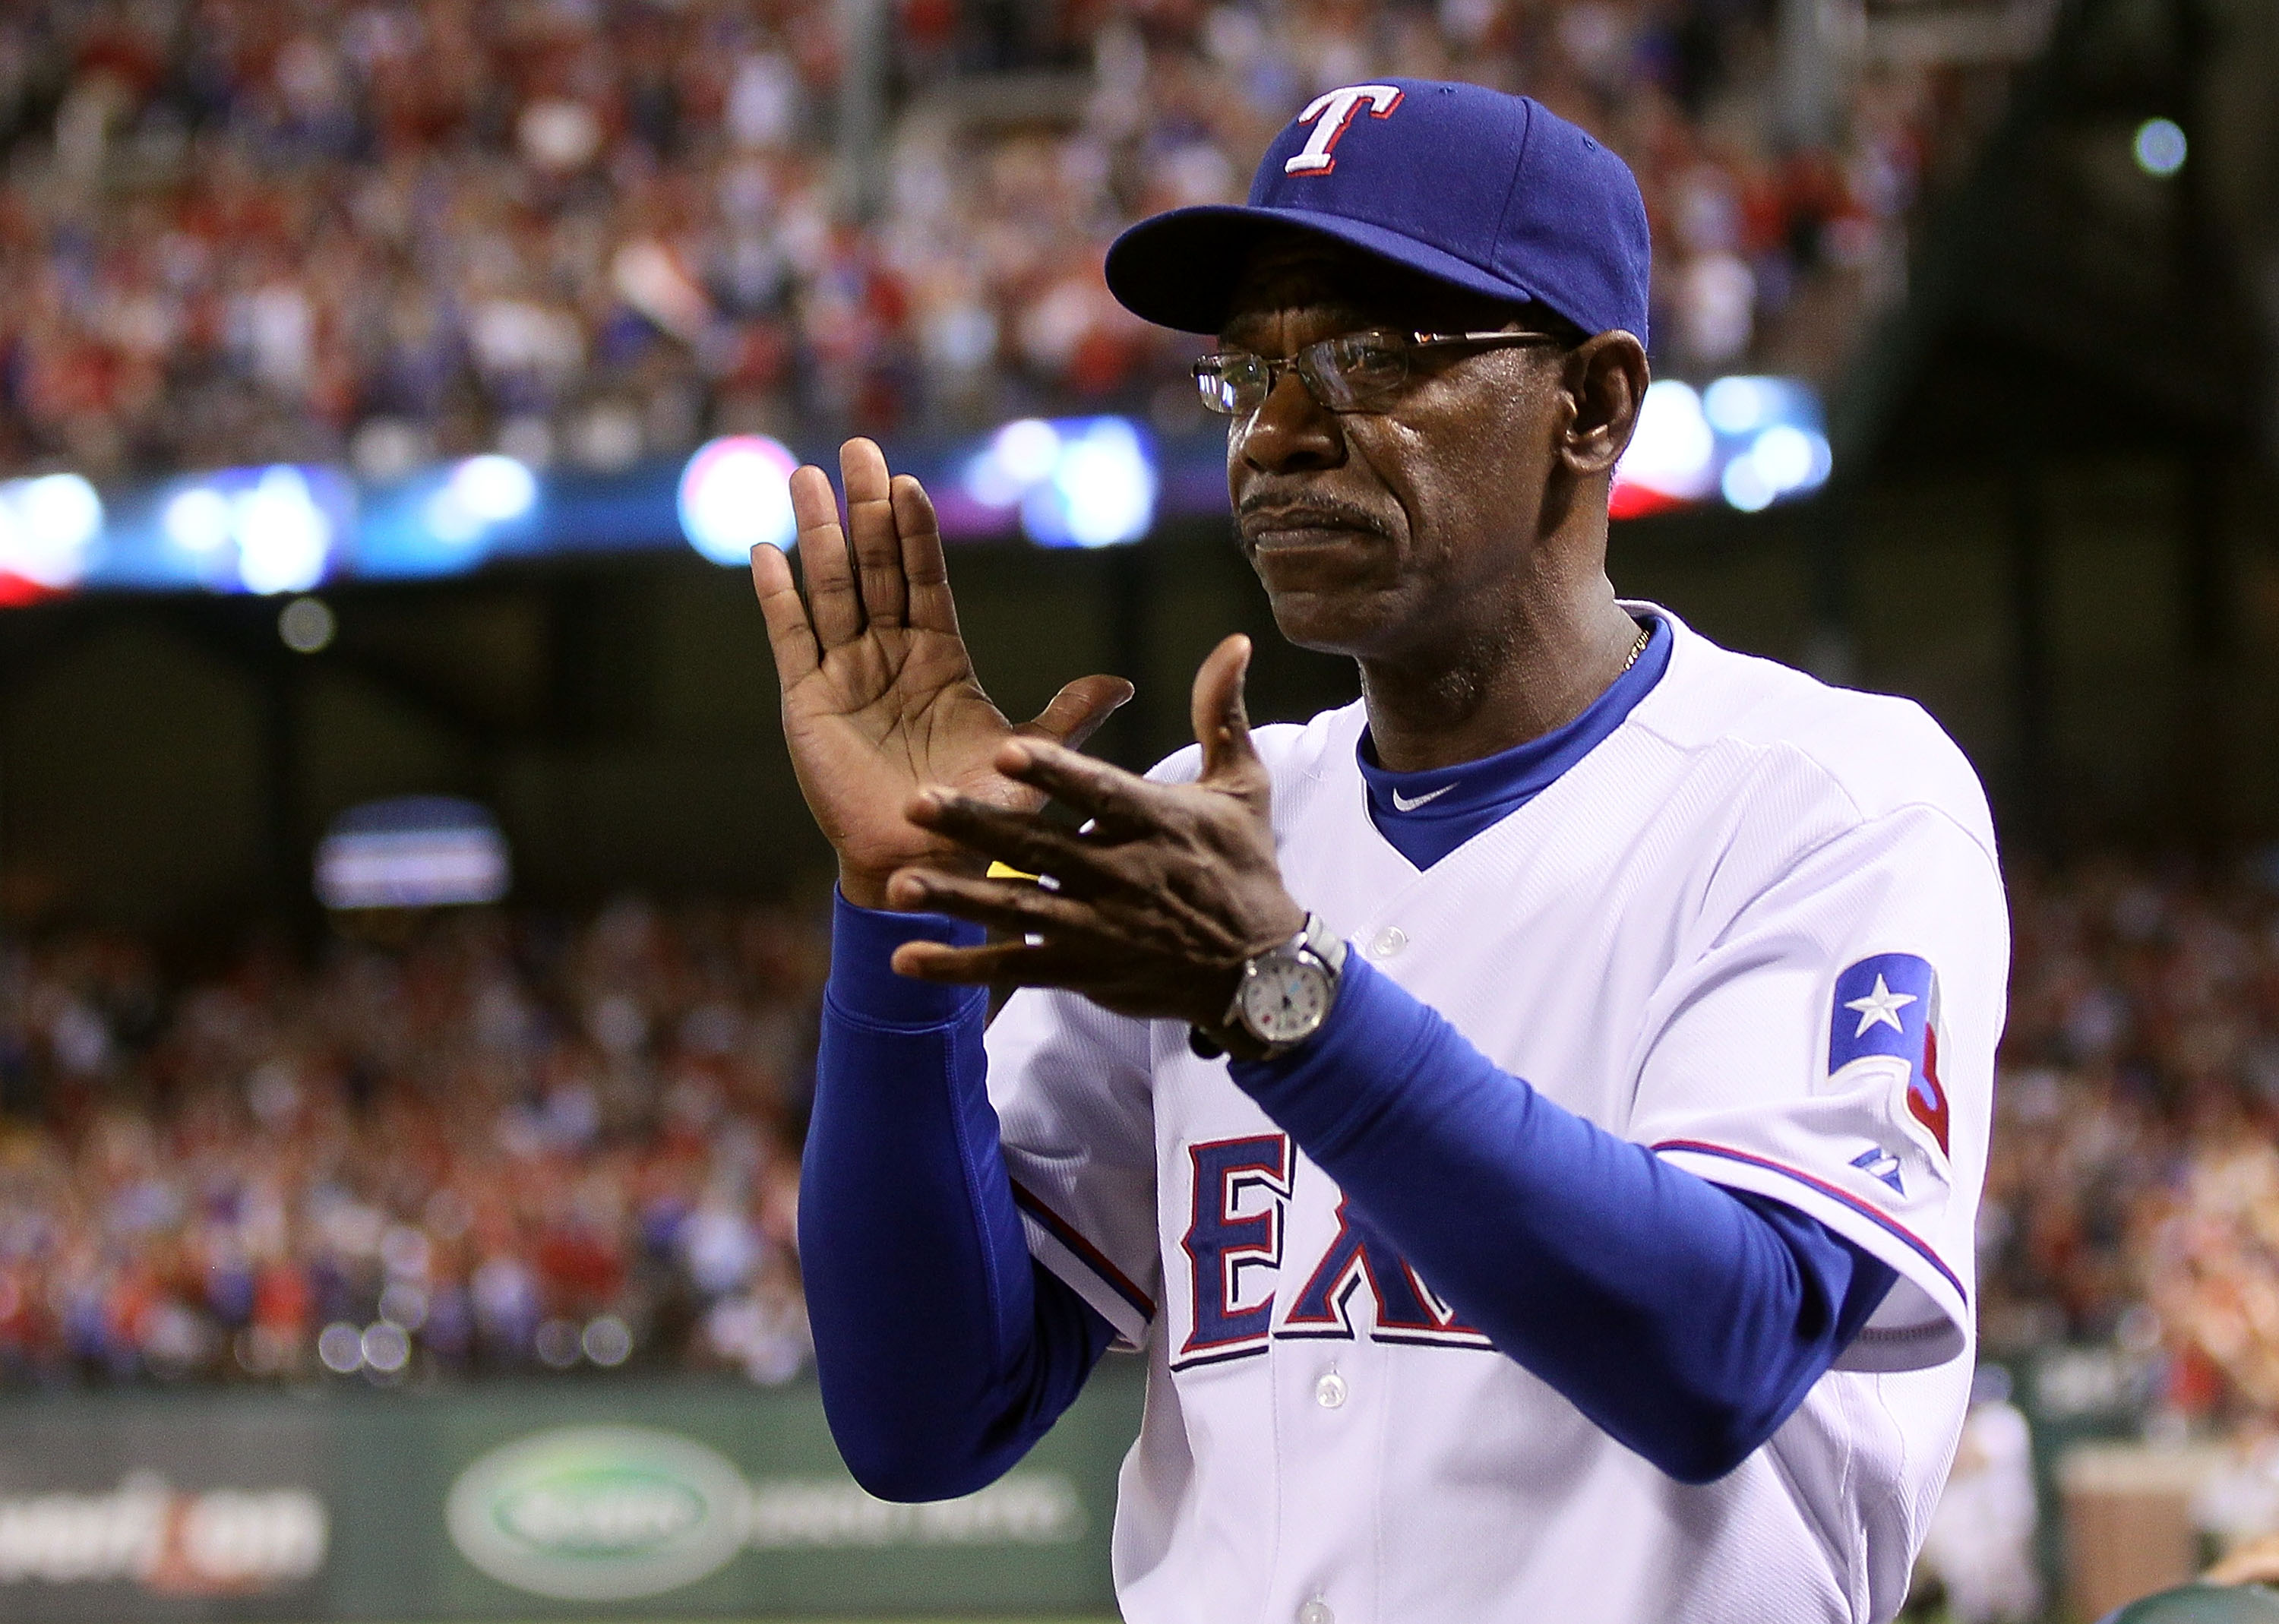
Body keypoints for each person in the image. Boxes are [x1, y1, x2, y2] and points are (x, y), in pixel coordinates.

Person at [751, 80, 2006, 1624]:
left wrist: (1288, 1000)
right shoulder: (1206, 827)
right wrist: (898, 914)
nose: (1277, 435)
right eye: (1249, 372)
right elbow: (923, 1418)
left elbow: (1723, 1348)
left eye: (1372, 357)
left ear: (1594, 404)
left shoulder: (1826, 796)